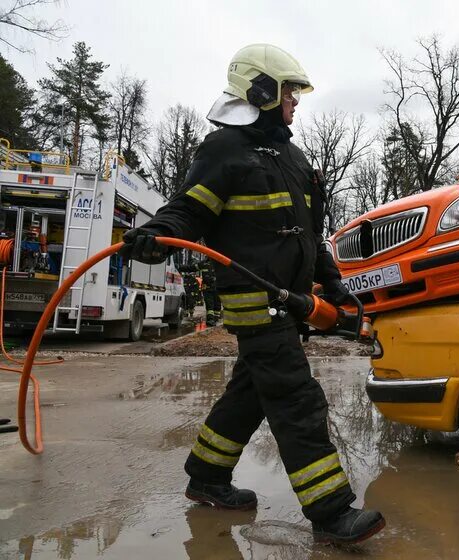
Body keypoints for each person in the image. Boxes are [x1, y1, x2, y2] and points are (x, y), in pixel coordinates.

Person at [119, 44, 384, 545]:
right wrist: (155, 235)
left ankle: (207, 476)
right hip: (255, 301)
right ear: (259, 90)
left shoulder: (295, 158)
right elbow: (188, 210)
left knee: (252, 393)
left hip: (290, 302)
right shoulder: (223, 151)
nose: (295, 102)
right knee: (295, 398)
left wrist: (335, 286)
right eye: (289, 91)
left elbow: (310, 235)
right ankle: (330, 513)